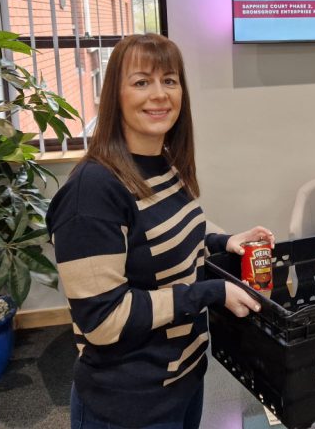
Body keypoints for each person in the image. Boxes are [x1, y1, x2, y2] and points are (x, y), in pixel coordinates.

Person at [46, 33, 275, 429]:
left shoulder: (163, 164)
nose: (159, 94)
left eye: (169, 80)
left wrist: (224, 242)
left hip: (183, 381)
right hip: (129, 403)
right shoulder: (93, 191)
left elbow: (172, 238)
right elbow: (102, 320)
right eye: (141, 82)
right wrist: (211, 292)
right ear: (114, 95)